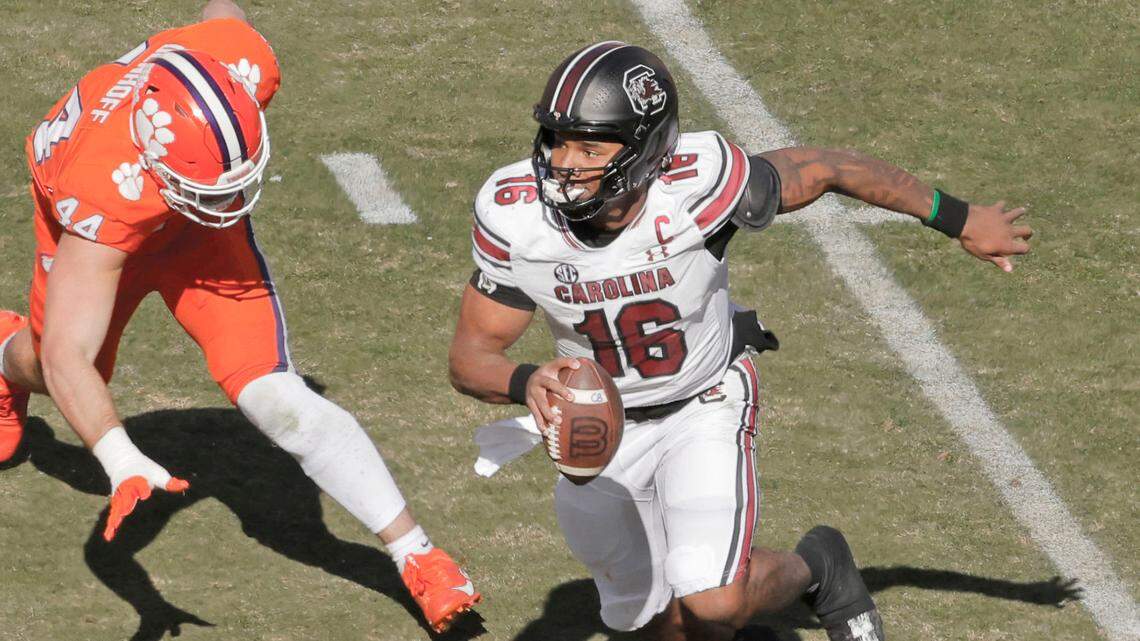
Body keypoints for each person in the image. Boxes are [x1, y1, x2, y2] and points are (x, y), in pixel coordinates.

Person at [448, 41, 1031, 641]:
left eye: (590, 145)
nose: (564, 161)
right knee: (651, 624)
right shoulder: (517, 215)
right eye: (556, 139)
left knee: (716, 604)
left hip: (703, 402)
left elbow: (828, 167)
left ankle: (818, 566)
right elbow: (470, 358)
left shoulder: (698, 185)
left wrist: (958, 217)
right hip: (601, 431)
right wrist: (526, 382)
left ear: (645, 150)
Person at [0, 0, 478, 632]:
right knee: (59, 364)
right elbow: (67, 355)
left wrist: (204, 190)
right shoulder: (100, 189)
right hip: (104, 229)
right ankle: (4, 357)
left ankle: (418, 555)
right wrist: (121, 457)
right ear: (153, 157)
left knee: (277, 397)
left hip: (193, 234)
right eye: (214, 187)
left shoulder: (241, 58)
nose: (230, 198)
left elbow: (224, 12)